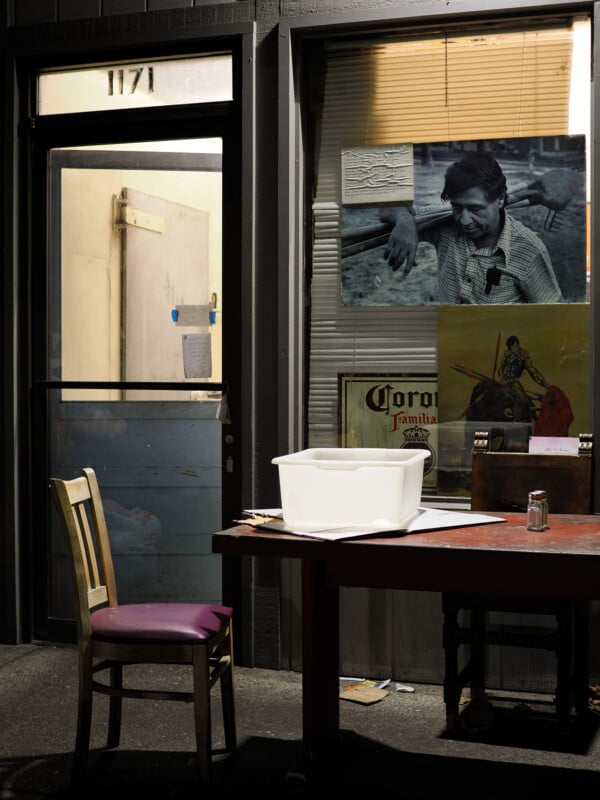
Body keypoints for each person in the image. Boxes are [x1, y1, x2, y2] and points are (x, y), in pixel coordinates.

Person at [379, 152, 563, 304]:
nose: (465, 220)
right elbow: (387, 209)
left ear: (500, 200)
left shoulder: (529, 250)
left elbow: (552, 316)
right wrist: (406, 221)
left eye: (475, 209)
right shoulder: (443, 222)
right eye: (457, 207)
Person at [497, 334, 549, 419]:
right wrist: (501, 378)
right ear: (510, 347)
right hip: (503, 383)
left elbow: (532, 371)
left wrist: (544, 383)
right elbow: (500, 367)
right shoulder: (507, 353)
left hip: (514, 382)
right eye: (512, 347)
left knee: (522, 397)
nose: (515, 349)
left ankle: (533, 404)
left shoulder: (523, 355)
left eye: (516, 346)